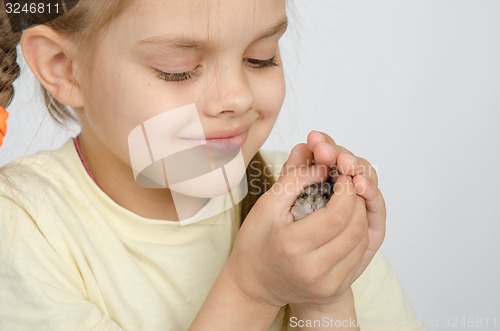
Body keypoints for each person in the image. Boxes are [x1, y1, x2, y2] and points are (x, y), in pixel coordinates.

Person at [0, 1, 424, 330]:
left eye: (260, 58)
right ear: (64, 68)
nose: (237, 97)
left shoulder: (299, 205)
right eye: (179, 70)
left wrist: (324, 297)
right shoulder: (22, 228)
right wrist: (253, 291)